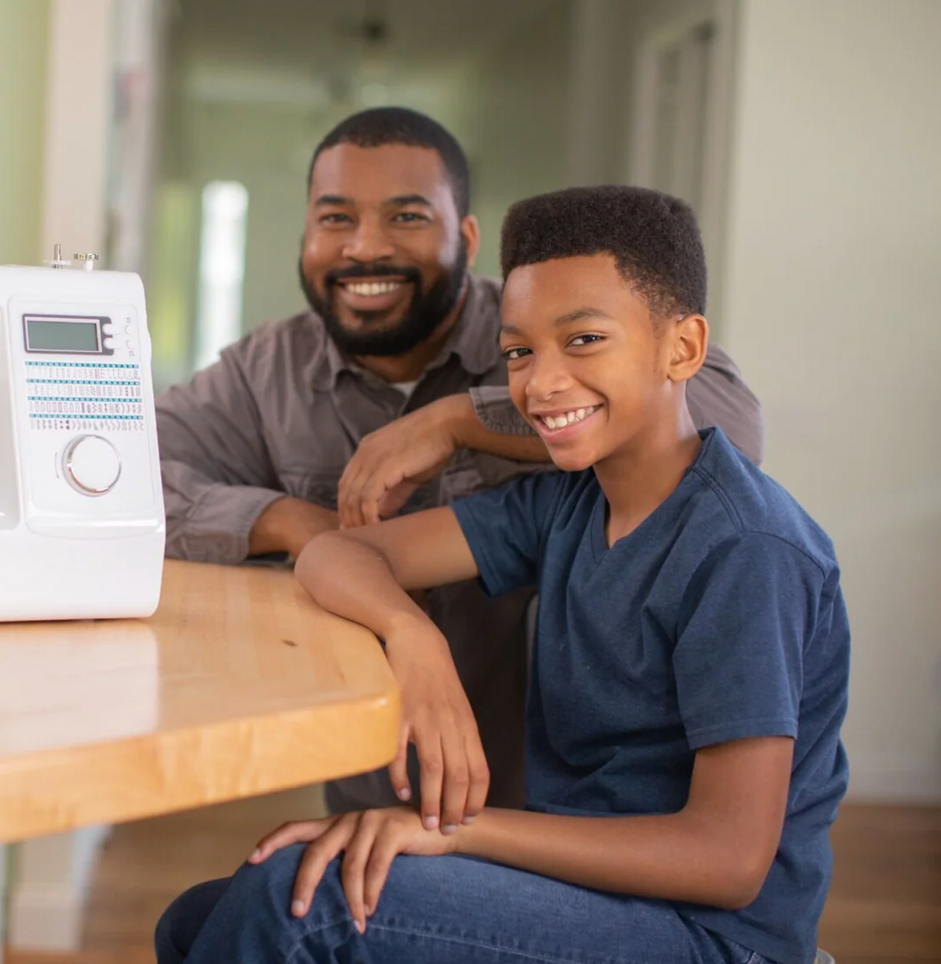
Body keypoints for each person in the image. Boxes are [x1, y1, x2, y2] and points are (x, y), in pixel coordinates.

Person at [154, 185, 849, 964]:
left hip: (707, 936)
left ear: (681, 349)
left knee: (293, 909)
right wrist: (411, 637)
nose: (540, 384)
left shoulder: (746, 548)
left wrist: (452, 833)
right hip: (586, 891)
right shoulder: (564, 505)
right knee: (195, 918)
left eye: (582, 340)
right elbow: (337, 553)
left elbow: (726, 861)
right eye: (519, 351)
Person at [157, 106, 765, 820]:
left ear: (466, 239)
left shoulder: (537, 331)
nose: (363, 248)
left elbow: (723, 421)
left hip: (560, 807)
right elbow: (123, 486)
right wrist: (294, 522)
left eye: (406, 217)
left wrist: (459, 420)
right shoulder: (264, 370)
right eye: (334, 218)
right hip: (373, 789)